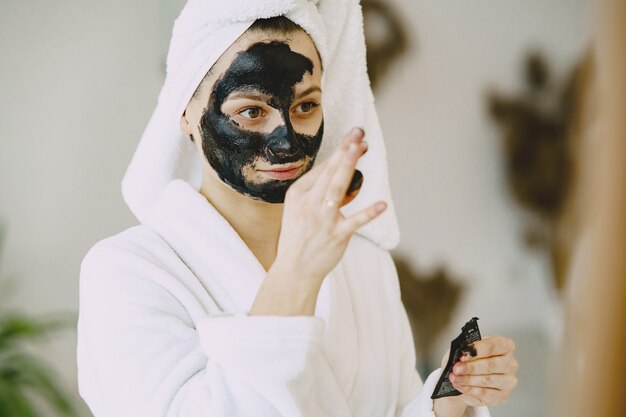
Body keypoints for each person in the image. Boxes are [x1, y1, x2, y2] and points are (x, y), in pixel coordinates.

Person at [77, 2, 518, 417]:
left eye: (305, 106)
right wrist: (295, 277)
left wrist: (447, 399)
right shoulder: (126, 273)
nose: (286, 141)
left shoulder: (364, 263)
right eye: (251, 111)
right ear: (186, 115)